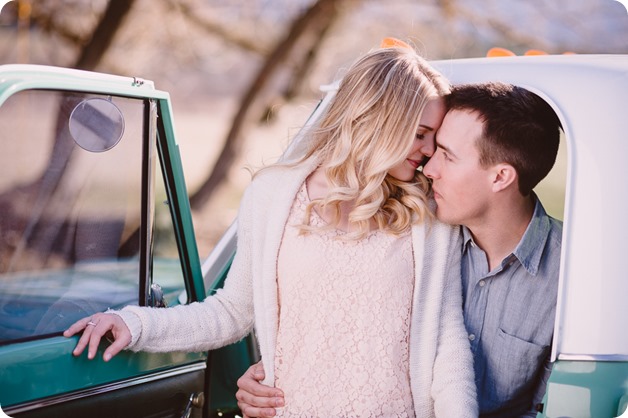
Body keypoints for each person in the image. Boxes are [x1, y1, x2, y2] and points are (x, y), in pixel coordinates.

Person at [64, 46, 478, 417]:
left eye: (433, 139)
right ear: (378, 121)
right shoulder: (275, 196)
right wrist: (136, 325)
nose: (427, 152)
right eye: (421, 135)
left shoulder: (426, 212)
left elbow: (447, 339)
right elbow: (230, 312)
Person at [234, 82, 562, 418]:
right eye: (430, 148)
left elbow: (555, 407)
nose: (428, 169)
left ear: (500, 177)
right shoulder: (411, 231)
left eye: (447, 155)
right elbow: (342, 326)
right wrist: (277, 373)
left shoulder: (571, 278)